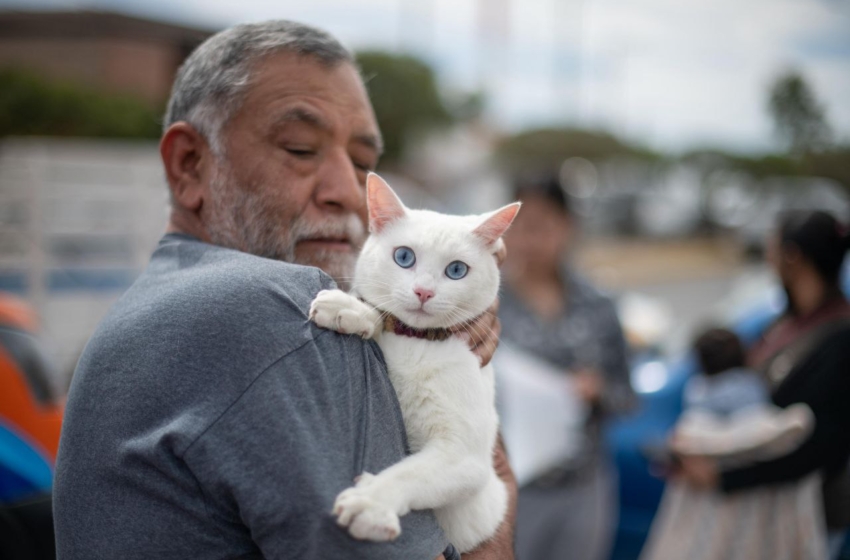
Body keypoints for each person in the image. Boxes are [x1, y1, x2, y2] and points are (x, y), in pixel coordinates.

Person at [52, 21, 516, 560]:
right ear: (189, 165)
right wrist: (497, 469)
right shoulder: (274, 308)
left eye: (364, 162)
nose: (349, 192)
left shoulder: (147, 304)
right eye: (300, 148)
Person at [678, 210, 850, 559]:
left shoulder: (839, 338)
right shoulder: (785, 323)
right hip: (760, 512)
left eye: (772, 248)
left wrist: (723, 479)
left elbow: (823, 446)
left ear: (792, 257)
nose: (768, 259)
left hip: (806, 518)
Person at [497, 174, 635, 560]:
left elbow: (626, 394)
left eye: (542, 226)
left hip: (583, 487)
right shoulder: (487, 302)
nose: (529, 238)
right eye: (520, 226)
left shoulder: (598, 304)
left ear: (567, 227)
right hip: (508, 490)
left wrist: (597, 391)